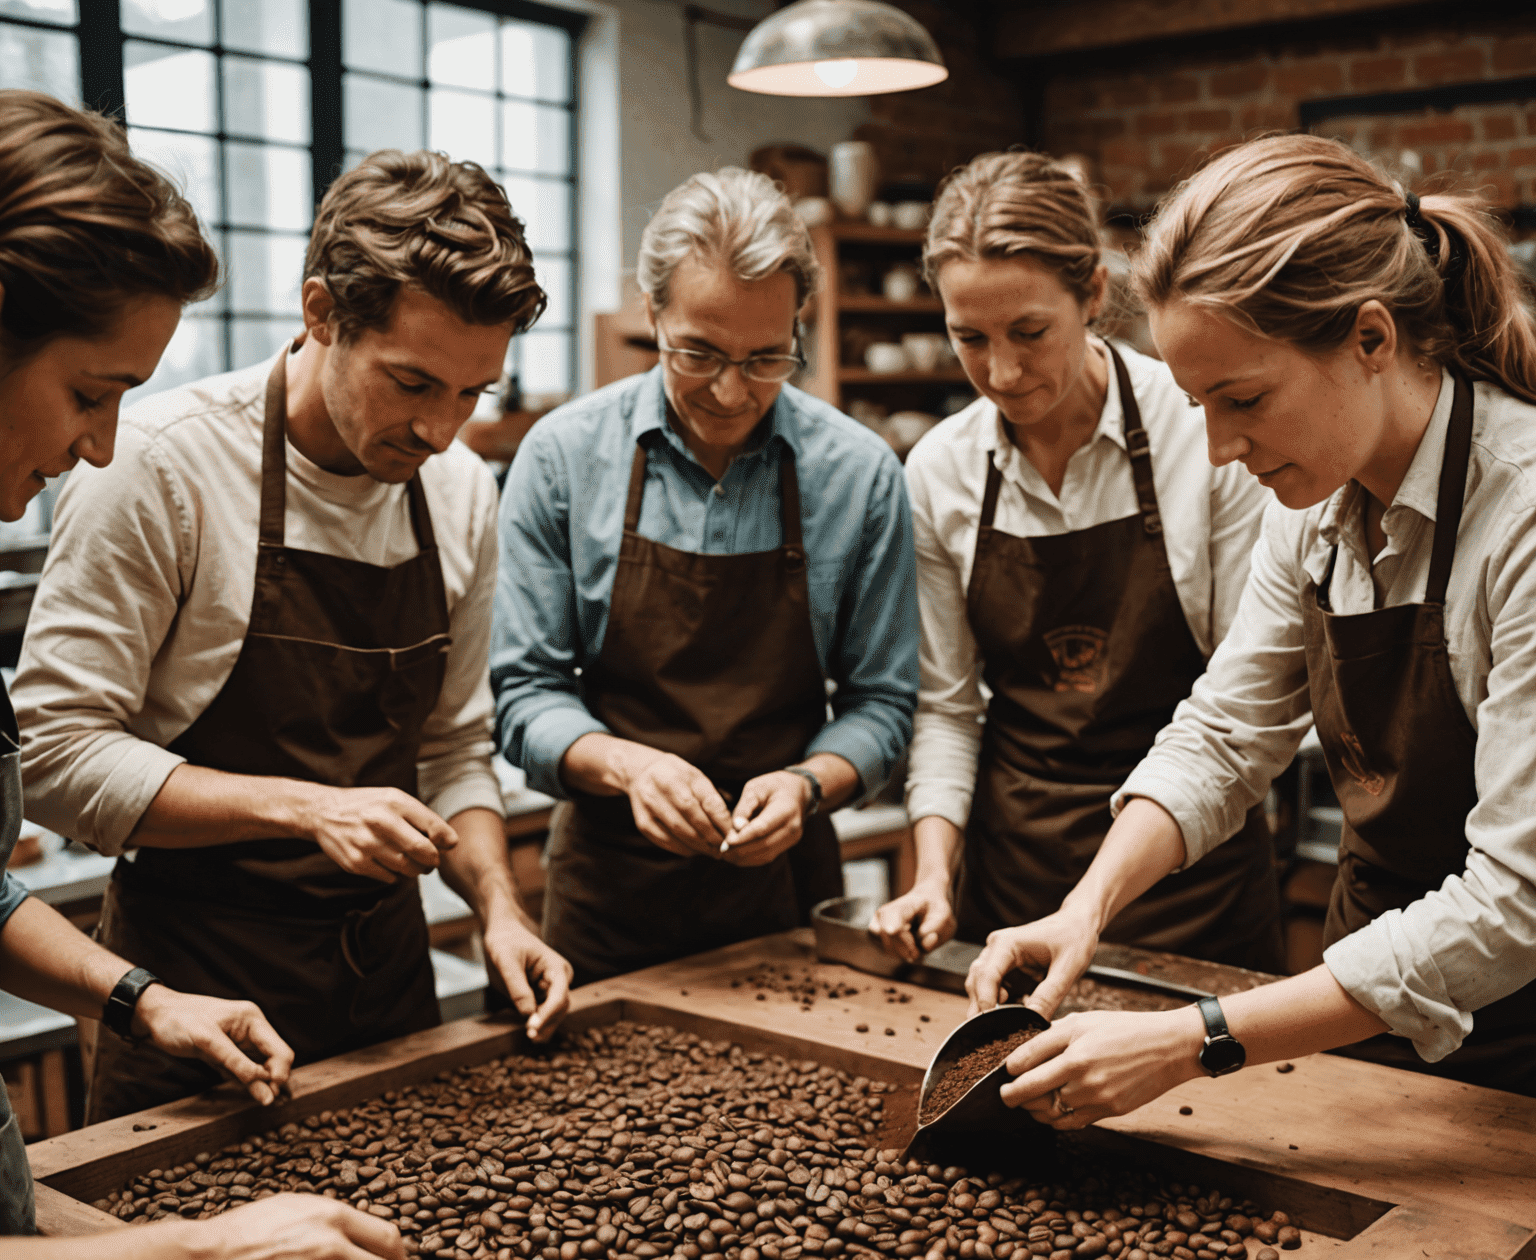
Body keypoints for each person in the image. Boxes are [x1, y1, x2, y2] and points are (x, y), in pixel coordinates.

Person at [968, 134, 1536, 1260]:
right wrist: (1088, 911)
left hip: (1529, 1044)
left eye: (1242, 399)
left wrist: (1195, 1038)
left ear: (1370, 336)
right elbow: (1227, 735)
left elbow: (1518, 904)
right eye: (1197, 404)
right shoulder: (1322, 504)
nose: (1220, 446)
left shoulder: (1524, 515)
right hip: (1369, 1014)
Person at [0, 90, 406, 1260]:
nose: (100, 446)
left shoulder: (452, 497)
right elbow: (62, 759)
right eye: (88, 391)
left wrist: (135, 999)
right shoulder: (178, 468)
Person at [15, 148, 573, 1129]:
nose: (442, 429)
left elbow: (451, 749)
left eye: (473, 393)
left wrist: (496, 902)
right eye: (412, 382)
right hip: (197, 1002)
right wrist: (309, 808)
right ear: (321, 313)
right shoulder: (157, 466)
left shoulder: (457, 491)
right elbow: (58, 760)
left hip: (388, 986)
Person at [493, 167, 918, 985]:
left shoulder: (858, 475)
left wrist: (806, 784)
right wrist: (631, 768)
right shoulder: (562, 459)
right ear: (652, 316)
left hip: (784, 895)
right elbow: (524, 694)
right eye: (699, 353)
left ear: (803, 323)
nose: (730, 392)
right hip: (605, 903)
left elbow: (884, 702)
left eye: (767, 358)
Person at [870, 152, 1282, 972]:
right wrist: (932, 873)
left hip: (1191, 880)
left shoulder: (1202, 431)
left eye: (1029, 332)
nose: (1002, 372)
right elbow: (948, 710)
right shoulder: (940, 471)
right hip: (1016, 877)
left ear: (1093, 294)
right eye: (968, 339)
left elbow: (1242, 699)